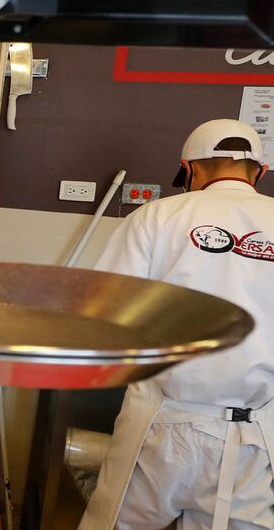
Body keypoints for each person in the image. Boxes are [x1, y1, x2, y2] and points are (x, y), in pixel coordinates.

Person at [80, 119, 274, 530]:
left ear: (188, 170)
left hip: (160, 423)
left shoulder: (158, 216)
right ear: (262, 172)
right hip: (254, 435)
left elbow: (101, 317)